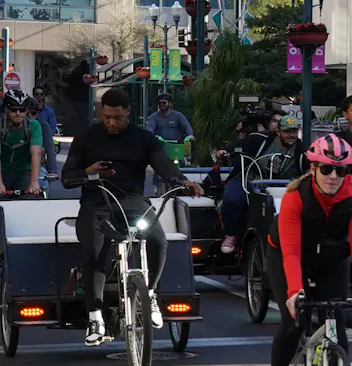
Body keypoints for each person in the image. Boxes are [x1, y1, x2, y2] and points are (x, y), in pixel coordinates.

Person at [61, 88, 204, 346]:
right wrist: (89, 172)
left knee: (158, 240)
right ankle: (96, 317)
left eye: (116, 117)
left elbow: (163, 164)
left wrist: (181, 181)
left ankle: (148, 295)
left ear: (127, 112)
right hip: (97, 203)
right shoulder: (86, 137)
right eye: (106, 117)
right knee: (95, 253)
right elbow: (67, 178)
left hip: (133, 202)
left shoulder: (143, 138)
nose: (111, 123)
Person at [263, 135, 352, 366]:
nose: (333, 176)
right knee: (293, 322)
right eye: (326, 169)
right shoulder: (295, 198)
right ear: (313, 168)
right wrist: (295, 292)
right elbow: (290, 253)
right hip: (289, 256)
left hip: (330, 259)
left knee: (336, 322)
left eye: (341, 170)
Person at [220, 108, 276, 255]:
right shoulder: (258, 139)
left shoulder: (296, 145)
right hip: (248, 178)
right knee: (232, 198)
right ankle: (232, 233)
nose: (290, 135)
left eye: (293, 131)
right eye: (275, 122)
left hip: (277, 183)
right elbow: (240, 146)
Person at [0, 89, 43, 195]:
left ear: (27, 111)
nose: (18, 114)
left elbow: (36, 154)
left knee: (30, 198)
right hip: (3, 170)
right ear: (6, 110)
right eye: (14, 110)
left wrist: (34, 182)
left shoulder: (34, 125)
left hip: (23, 170)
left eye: (22, 110)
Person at [253, 115, 307, 181]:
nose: (291, 135)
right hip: (259, 183)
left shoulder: (301, 151)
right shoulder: (261, 140)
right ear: (278, 132)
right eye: (287, 131)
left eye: (294, 131)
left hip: (286, 187)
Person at [31, 85, 59, 177]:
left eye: (41, 94)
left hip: (43, 141)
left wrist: (52, 170)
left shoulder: (48, 114)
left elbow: (52, 128)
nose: (39, 96)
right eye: (36, 94)